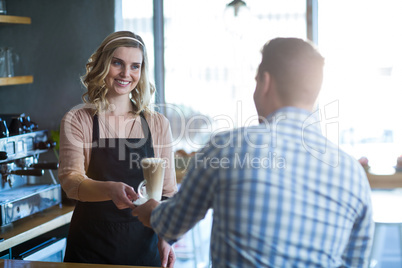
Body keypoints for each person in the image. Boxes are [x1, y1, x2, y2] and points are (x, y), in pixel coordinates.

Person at [132, 38, 374, 267]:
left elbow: (172, 223)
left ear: (265, 82)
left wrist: (149, 209)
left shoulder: (227, 148)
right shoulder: (353, 175)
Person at [58, 31, 177, 267]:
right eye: (117, 63)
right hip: (90, 249)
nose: (126, 74)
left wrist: (166, 237)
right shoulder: (78, 119)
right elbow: (71, 181)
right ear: (104, 65)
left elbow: (167, 192)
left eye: (135, 66)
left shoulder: (157, 123)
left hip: (144, 248)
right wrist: (109, 189)